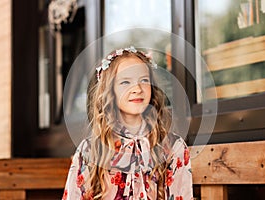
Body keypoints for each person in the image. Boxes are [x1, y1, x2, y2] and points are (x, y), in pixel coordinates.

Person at [62, 46, 193, 200]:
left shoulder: (172, 147)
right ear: (110, 90)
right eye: (125, 82)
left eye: (144, 80)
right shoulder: (90, 151)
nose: (137, 88)